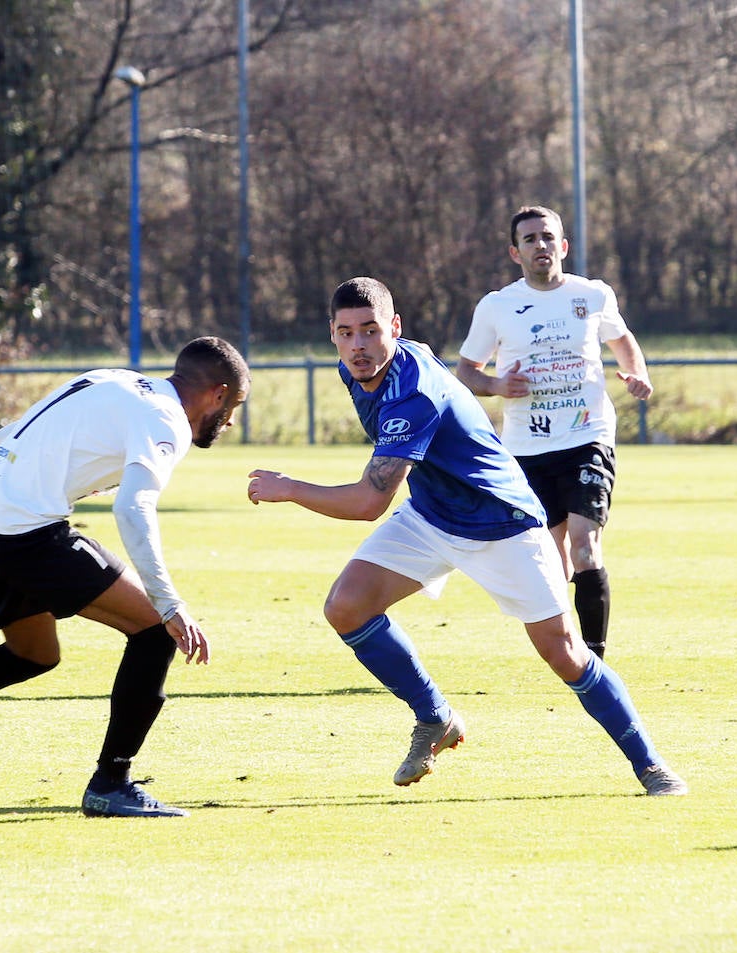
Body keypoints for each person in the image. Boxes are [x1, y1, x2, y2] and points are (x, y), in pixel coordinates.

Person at [247, 277, 685, 795]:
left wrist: (291, 488)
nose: (359, 345)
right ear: (333, 336)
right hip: (433, 515)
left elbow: (369, 503)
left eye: (370, 330)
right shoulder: (357, 369)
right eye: (346, 333)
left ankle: (652, 765)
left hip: (502, 523)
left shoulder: (412, 391)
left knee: (564, 652)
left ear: (395, 327)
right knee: (347, 606)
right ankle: (434, 716)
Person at [0, 337, 250, 817]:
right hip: (22, 530)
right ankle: (112, 783)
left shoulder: (116, 379)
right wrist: (170, 602)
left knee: (33, 654)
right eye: (233, 409)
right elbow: (134, 507)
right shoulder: (167, 420)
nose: (227, 423)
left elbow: (9, 435)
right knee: (153, 630)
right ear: (218, 393)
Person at [456, 206, 652, 659]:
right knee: (550, 558)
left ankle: (594, 656)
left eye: (548, 237)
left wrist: (635, 373)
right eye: (530, 239)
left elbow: (622, 340)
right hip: (526, 449)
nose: (540, 245)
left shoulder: (592, 295)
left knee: (585, 545)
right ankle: (565, 649)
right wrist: (497, 385)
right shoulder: (497, 306)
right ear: (515, 251)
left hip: (587, 437)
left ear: (562, 246)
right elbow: (467, 371)